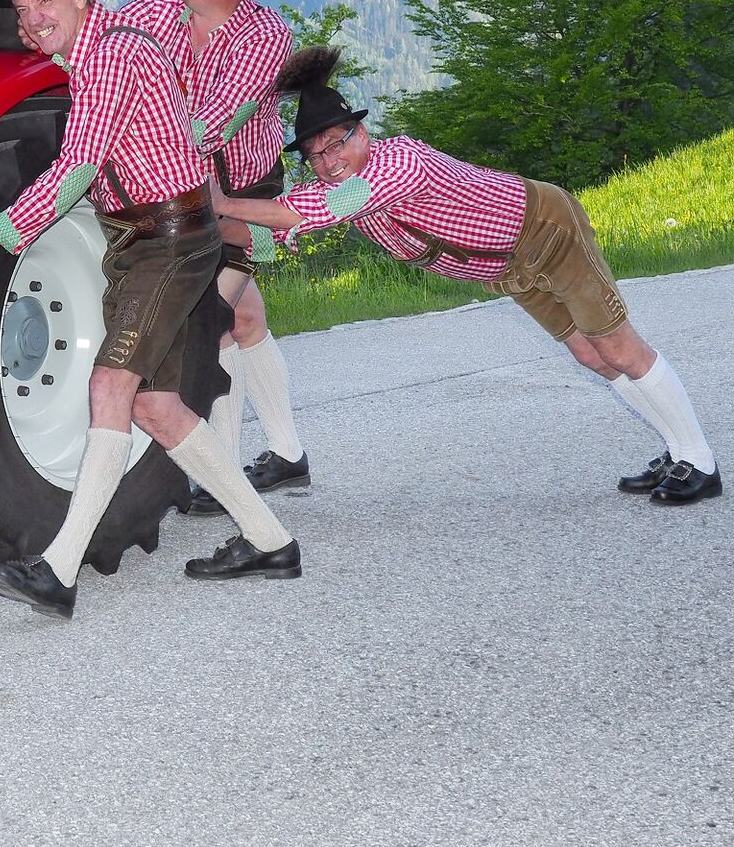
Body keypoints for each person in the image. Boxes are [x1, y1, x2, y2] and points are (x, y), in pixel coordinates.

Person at [0, 0, 303, 620]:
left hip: (169, 239)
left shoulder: (111, 56)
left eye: (46, 0)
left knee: (110, 385)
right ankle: (270, 540)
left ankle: (58, 571)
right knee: (156, 407)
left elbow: (76, 169)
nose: (33, 19)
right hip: (146, 238)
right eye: (22, 8)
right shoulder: (106, 42)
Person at [214, 45, 721, 506]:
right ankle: (676, 449)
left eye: (335, 144)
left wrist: (225, 201)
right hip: (508, 266)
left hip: (545, 231)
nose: (328, 162)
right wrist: (204, 219)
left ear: (361, 132)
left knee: (617, 348)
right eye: (315, 155)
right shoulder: (344, 188)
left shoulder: (398, 163)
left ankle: (699, 461)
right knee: (590, 355)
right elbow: (269, 233)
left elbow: (308, 211)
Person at [115, 0, 318, 508]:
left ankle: (219, 473)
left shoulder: (266, 37)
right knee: (243, 319)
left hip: (245, 197)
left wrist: (134, 139)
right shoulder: (156, 9)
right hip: (181, 190)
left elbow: (211, 125)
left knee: (215, 319)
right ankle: (287, 455)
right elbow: (102, 51)